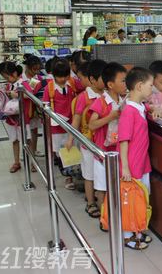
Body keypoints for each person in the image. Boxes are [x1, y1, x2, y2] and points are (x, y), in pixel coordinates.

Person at [117, 67, 162, 250]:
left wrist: (154, 108)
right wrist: (125, 168)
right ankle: (128, 236)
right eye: (151, 85)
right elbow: (123, 141)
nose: (153, 89)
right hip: (133, 165)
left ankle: (136, 230)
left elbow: (146, 107)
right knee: (131, 202)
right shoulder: (129, 111)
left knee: (141, 199)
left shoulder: (139, 106)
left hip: (142, 163)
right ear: (140, 85)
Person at [65, 60, 108, 218]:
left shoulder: (109, 94)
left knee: (102, 174)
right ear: (92, 79)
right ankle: (91, 202)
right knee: (89, 175)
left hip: (104, 143)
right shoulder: (84, 97)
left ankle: (103, 201)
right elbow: (76, 120)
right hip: (88, 143)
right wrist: (70, 139)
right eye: (103, 77)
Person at [88, 62, 128, 215]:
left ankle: (115, 213)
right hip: (102, 153)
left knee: (116, 184)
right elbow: (92, 125)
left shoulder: (122, 101)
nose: (126, 84)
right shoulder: (101, 102)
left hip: (117, 151)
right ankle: (105, 215)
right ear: (110, 84)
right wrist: (110, 117)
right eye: (122, 81)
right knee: (102, 185)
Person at [42, 58, 77, 190]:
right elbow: (45, 107)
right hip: (56, 126)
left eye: (65, 76)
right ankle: (67, 177)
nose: (62, 79)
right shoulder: (49, 88)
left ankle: (73, 174)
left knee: (73, 149)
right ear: (53, 75)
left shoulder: (73, 83)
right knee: (61, 152)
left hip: (72, 123)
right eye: (59, 76)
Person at [0, 61, 34, 173]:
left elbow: (30, 95)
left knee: (27, 140)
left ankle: (33, 162)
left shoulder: (24, 83)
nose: (6, 79)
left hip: (22, 118)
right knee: (14, 140)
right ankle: (16, 161)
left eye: (7, 77)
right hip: (12, 119)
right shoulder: (9, 85)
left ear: (14, 73)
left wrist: (16, 94)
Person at [22, 55, 44, 158]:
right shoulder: (21, 79)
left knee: (35, 130)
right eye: (33, 69)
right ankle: (26, 151)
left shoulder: (39, 78)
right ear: (27, 67)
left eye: (38, 69)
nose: (36, 72)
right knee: (26, 130)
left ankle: (34, 150)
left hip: (35, 109)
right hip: (25, 108)